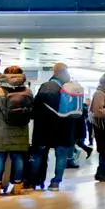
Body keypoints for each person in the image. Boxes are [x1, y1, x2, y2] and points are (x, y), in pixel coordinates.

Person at [31, 62, 81, 191]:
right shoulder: (69, 88)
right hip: (64, 127)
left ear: (54, 72)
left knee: (39, 154)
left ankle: (33, 181)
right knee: (61, 155)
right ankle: (55, 182)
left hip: (44, 127)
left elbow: (36, 107)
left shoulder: (46, 86)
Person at [0, 66, 33, 195]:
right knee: (18, 157)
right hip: (21, 130)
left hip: (1, 130)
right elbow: (31, 112)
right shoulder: (28, 92)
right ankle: (18, 186)